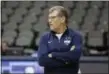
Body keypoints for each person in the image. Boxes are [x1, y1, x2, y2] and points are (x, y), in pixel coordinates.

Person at [38, 6, 83, 74]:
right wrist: (67, 61)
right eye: (49, 18)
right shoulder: (45, 37)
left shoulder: (75, 36)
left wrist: (53, 54)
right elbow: (42, 60)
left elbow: (74, 56)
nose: (49, 21)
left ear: (62, 19)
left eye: (53, 17)